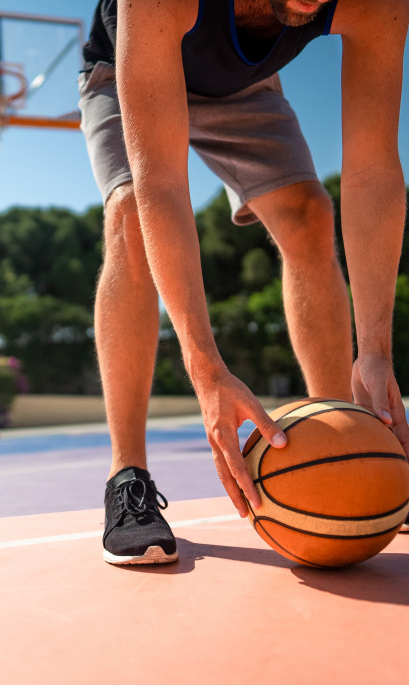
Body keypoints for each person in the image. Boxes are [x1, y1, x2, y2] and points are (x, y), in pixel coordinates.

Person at [78, 0, 409, 565]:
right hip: (127, 69)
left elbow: (373, 168)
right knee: (132, 212)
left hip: (243, 87)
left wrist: (376, 350)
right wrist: (206, 370)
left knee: (309, 213)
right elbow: (163, 185)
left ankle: (341, 434)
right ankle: (126, 476)